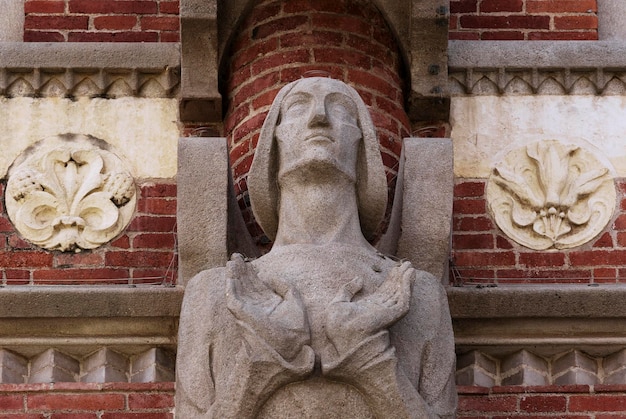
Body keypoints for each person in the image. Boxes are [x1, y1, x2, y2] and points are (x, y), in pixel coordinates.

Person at [176, 77, 457, 418]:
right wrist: (265, 361)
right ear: (274, 141)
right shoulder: (215, 291)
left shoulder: (417, 293)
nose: (319, 118)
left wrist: (369, 362)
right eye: (297, 107)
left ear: (361, 141)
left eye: (340, 107)